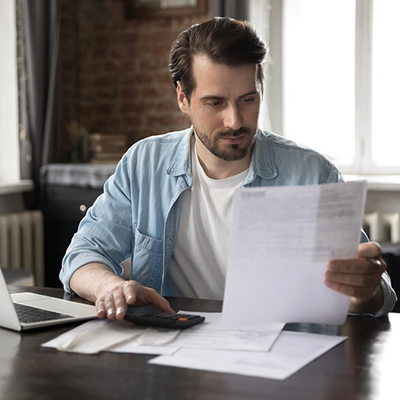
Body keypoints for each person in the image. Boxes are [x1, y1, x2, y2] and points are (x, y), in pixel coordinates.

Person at [60, 17, 396, 320]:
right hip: (172, 355)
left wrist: (364, 291)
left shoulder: (313, 173)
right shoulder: (143, 164)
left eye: (247, 100)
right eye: (215, 103)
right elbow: (82, 254)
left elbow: (378, 296)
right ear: (182, 98)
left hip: (284, 360)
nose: (235, 120)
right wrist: (108, 286)